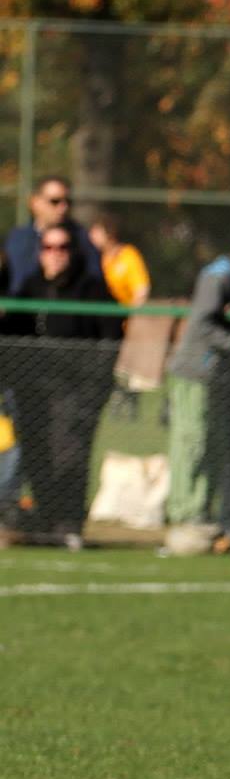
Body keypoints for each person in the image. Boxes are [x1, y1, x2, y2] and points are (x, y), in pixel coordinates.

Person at [1, 228, 122, 546]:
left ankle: (69, 524)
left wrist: (95, 385)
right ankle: (46, 521)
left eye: (63, 247)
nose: (55, 253)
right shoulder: (29, 287)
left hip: (76, 390)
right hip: (35, 390)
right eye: (48, 247)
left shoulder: (92, 288)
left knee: (70, 456)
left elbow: (111, 337)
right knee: (38, 456)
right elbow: (13, 334)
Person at [161, 229, 230, 555]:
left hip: (217, 379)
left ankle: (201, 512)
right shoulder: (217, 279)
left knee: (213, 446)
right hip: (194, 374)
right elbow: (202, 326)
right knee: (191, 442)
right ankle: (184, 514)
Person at [4, 177, 99, 294]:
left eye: (68, 202)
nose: (63, 208)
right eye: (55, 201)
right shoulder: (17, 238)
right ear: (34, 202)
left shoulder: (82, 239)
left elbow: (94, 282)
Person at [88, 214, 151, 306]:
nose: (91, 235)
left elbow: (141, 290)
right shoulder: (93, 256)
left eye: (96, 232)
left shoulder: (128, 255)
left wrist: (130, 314)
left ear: (110, 233)